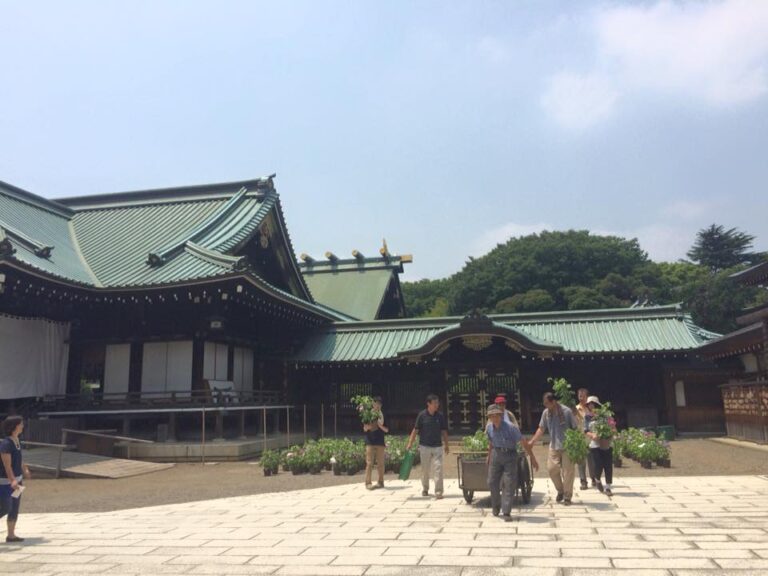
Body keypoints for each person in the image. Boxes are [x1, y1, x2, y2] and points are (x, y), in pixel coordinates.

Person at [527, 392, 578, 505]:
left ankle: (567, 496)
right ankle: (560, 490)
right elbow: (541, 428)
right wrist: (532, 441)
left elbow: (575, 428)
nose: (545, 406)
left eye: (547, 403)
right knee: (552, 469)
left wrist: (575, 445)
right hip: (554, 445)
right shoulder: (546, 413)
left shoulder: (566, 411)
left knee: (568, 471)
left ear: (553, 402)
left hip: (567, 446)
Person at [406, 394, 449, 499]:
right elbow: (415, 430)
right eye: (434, 403)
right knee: (425, 469)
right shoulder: (422, 415)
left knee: (438, 468)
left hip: (437, 446)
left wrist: (446, 445)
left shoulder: (440, 416)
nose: (437, 405)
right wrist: (410, 443)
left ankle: (438, 491)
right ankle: (425, 488)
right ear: (428, 404)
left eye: (437, 403)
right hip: (424, 446)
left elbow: (444, 431)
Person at [485, 404, 522, 521]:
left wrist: (532, 457)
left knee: (508, 483)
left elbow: (522, 440)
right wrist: (489, 455)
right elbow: (491, 442)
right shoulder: (489, 428)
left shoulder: (511, 427)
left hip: (510, 455)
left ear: (501, 416)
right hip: (496, 454)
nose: (495, 418)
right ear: (489, 417)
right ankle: (496, 505)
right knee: (491, 481)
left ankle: (506, 511)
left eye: (497, 415)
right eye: (492, 416)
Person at [1, 416, 31, 543]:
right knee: (6, 507)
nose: (22, 426)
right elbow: (7, 465)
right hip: (5, 483)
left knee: (14, 507)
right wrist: (12, 480)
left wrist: (25, 468)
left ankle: (11, 535)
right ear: (14, 426)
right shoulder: (6, 444)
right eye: (21, 424)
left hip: (17, 480)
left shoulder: (17, 440)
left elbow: (18, 458)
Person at [490, 395, 539, 472]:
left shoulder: (509, 415)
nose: (501, 407)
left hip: (510, 445)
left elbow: (516, 430)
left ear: (505, 405)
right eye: (499, 405)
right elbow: (488, 433)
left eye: (502, 404)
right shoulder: (492, 417)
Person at [585, 396, 614, 496]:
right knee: (598, 464)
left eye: (593, 404)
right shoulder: (587, 417)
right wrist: (592, 435)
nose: (591, 406)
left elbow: (613, 427)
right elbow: (586, 431)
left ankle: (608, 487)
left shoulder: (606, 415)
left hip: (606, 443)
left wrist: (610, 433)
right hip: (594, 445)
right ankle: (597, 479)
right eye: (589, 405)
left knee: (608, 465)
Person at [363, 396, 389, 490]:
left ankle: (380, 482)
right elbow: (365, 428)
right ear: (373, 404)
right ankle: (368, 482)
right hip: (369, 441)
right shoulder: (367, 414)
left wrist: (379, 425)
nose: (377, 405)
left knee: (381, 463)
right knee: (369, 463)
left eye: (379, 404)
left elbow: (387, 430)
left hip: (380, 441)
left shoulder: (383, 415)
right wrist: (370, 426)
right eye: (376, 403)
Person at [575, 388, 596, 490]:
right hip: (579, 438)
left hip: (590, 438)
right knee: (581, 462)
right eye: (580, 396)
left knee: (592, 461)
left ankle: (594, 478)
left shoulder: (591, 409)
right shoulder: (575, 409)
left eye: (583, 396)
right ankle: (583, 481)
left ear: (587, 397)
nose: (581, 398)